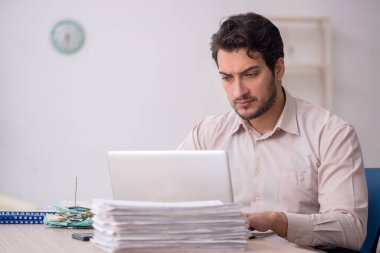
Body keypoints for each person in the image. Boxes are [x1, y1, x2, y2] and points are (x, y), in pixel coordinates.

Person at [178, 12, 368, 250]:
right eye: (227, 78)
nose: (238, 92)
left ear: (278, 69)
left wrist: (277, 221)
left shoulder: (332, 134)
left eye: (250, 74)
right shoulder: (206, 134)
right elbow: (171, 204)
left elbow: (351, 229)